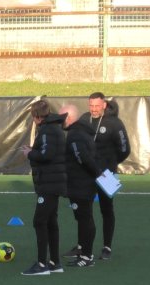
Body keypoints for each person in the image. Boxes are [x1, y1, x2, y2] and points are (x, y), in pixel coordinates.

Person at [78, 92, 131, 260]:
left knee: (107, 209)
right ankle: (82, 246)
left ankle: (107, 247)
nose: (93, 109)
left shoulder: (115, 123)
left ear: (104, 105)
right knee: (83, 210)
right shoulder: (84, 119)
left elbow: (125, 149)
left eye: (97, 106)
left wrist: (111, 164)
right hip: (87, 173)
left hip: (108, 174)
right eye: (91, 106)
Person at [20, 99, 67, 276]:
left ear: (37, 116)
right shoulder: (54, 128)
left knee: (39, 221)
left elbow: (46, 155)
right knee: (51, 221)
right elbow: (50, 152)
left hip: (49, 183)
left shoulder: (48, 130)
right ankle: (55, 262)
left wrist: (30, 153)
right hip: (53, 181)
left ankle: (42, 264)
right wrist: (33, 149)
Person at [60, 104, 99, 268]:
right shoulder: (83, 131)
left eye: (62, 118)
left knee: (85, 219)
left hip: (80, 184)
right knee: (83, 218)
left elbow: (82, 158)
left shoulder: (75, 135)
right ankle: (83, 250)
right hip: (84, 183)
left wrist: (99, 174)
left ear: (69, 118)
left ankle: (87, 256)